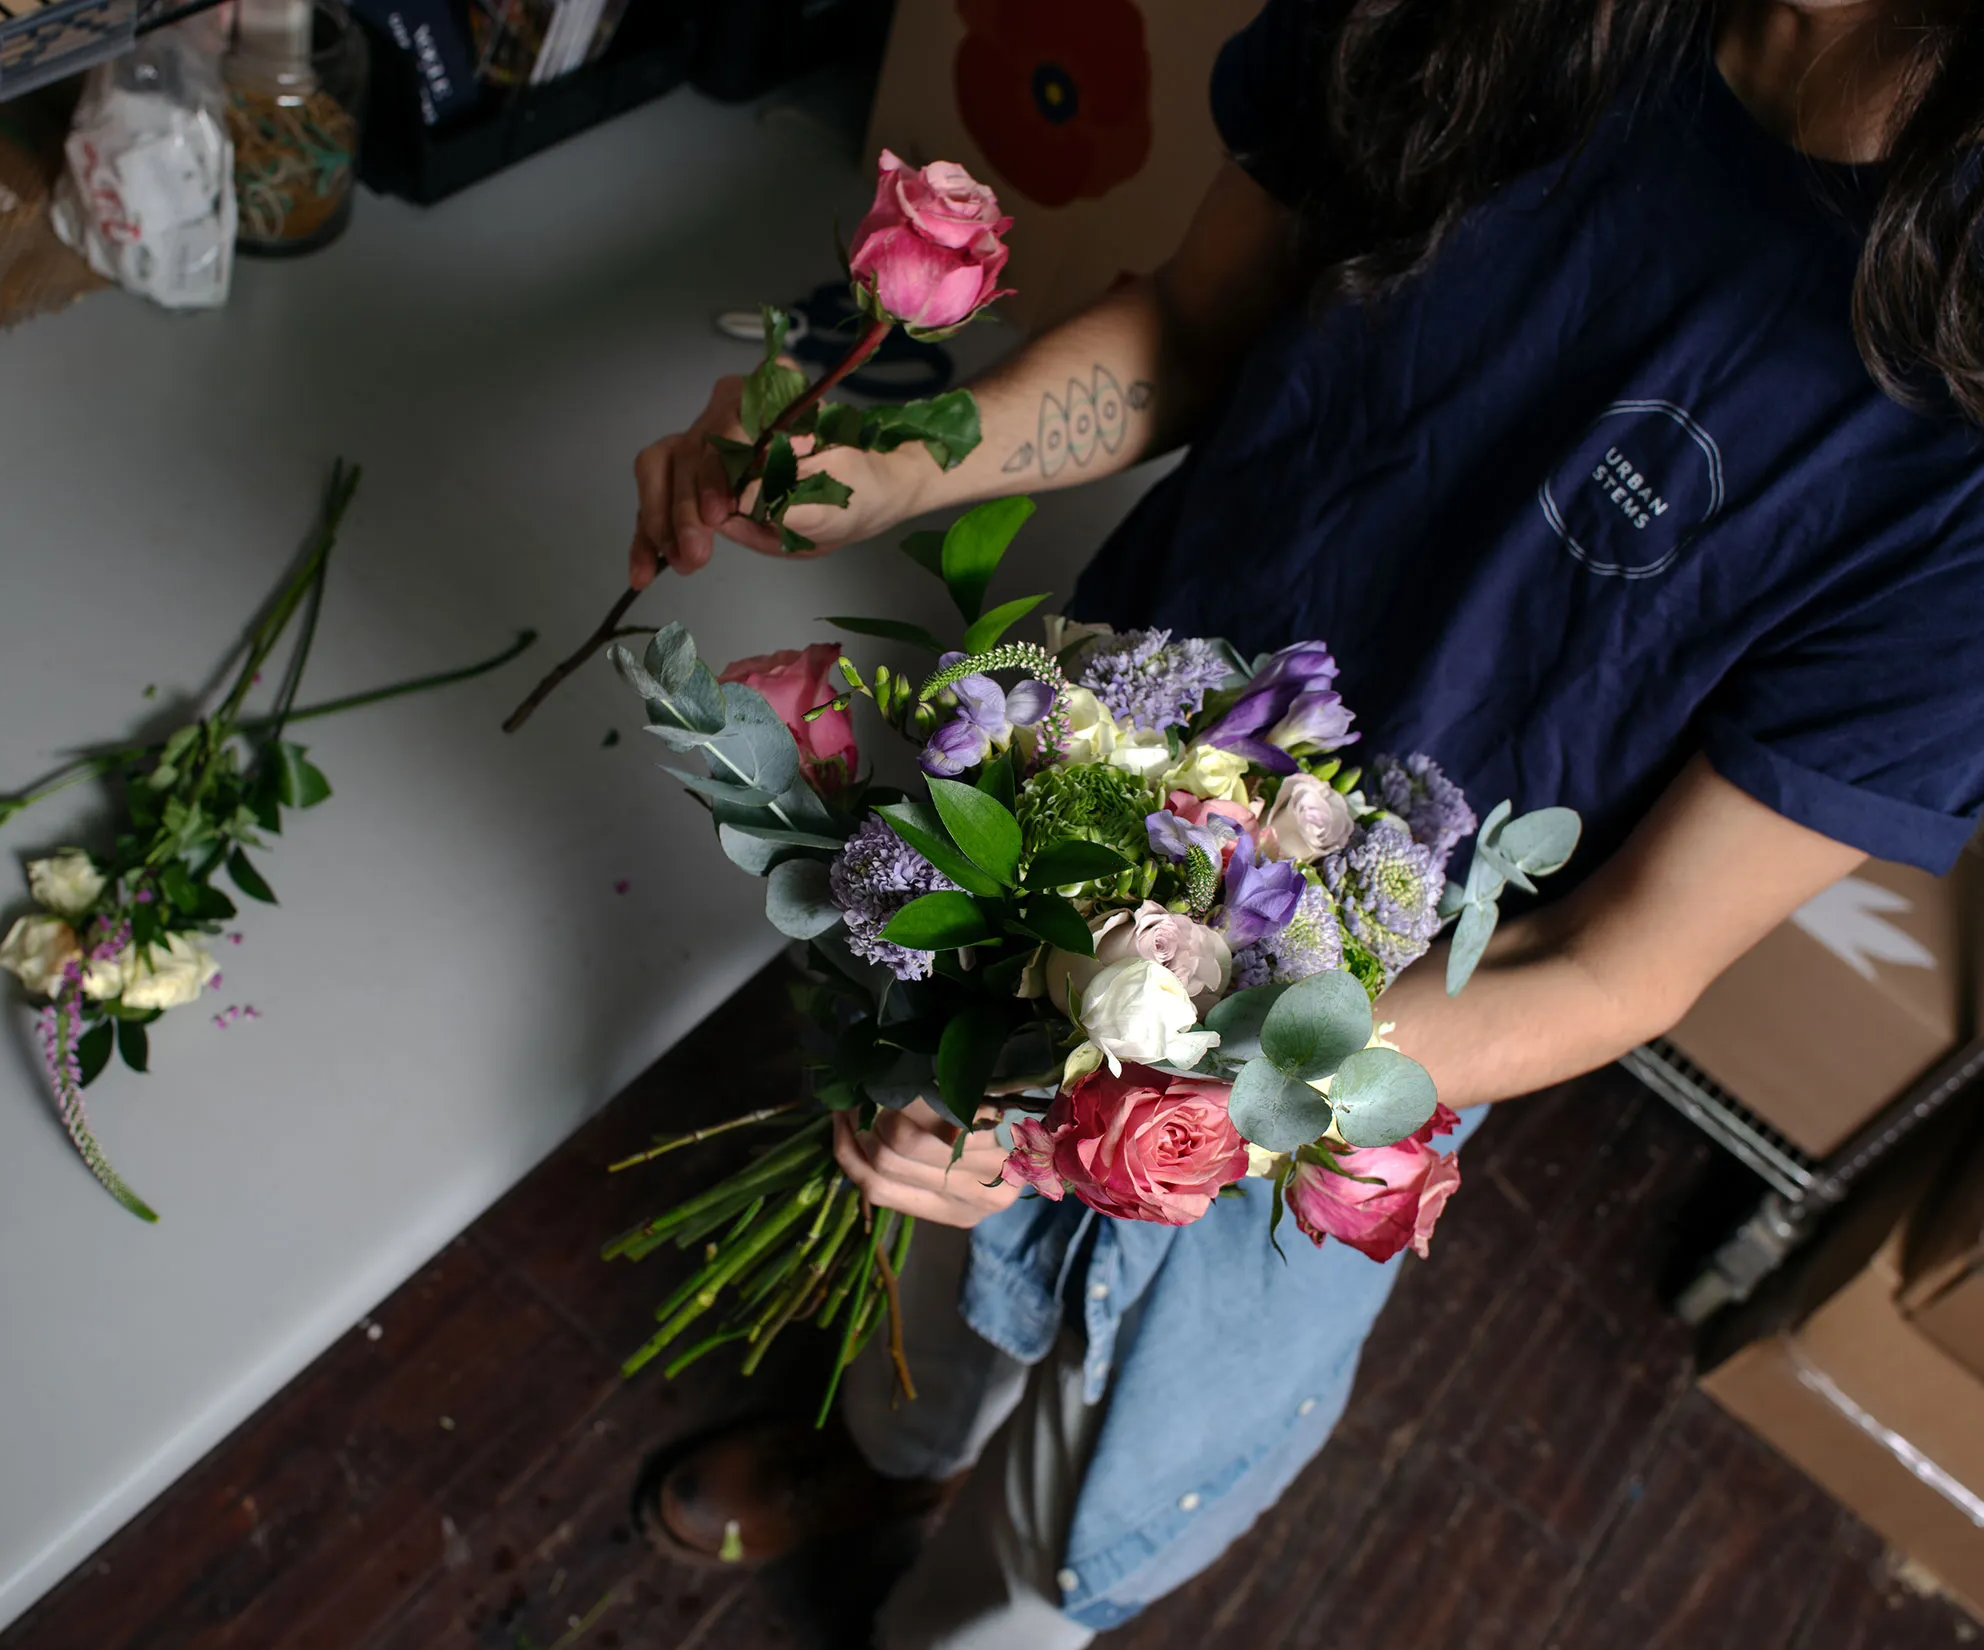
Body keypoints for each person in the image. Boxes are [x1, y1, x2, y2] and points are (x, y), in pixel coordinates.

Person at [627, 0, 1984, 1643]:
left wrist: (1127, 1082)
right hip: (1068, 791)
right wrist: (912, 463)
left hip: (1360, 1036)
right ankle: (894, 1453)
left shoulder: (1962, 406)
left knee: (1101, 1479)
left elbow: (1622, 963)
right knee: (923, 1213)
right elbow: (1201, 325)